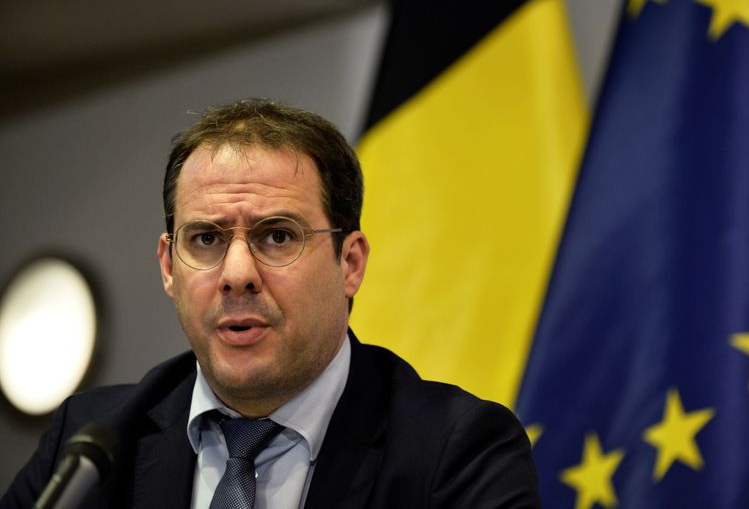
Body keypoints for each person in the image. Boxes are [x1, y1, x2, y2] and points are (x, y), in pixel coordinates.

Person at [1, 99, 541, 508]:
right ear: (169, 267)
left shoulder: (457, 452)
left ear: (349, 263)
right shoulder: (91, 446)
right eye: (207, 239)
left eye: (277, 236)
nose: (237, 275)